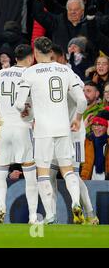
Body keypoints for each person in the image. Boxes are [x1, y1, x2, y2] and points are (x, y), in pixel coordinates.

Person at [15, 37, 87, 224]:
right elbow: (82, 101)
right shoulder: (65, 70)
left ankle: (50, 215)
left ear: (36, 53)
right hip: (63, 127)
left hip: (43, 129)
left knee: (44, 173)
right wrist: (77, 119)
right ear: (51, 52)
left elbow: (19, 104)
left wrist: (26, 111)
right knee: (68, 170)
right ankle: (75, 203)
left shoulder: (30, 72)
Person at [50, 50, 99, 225]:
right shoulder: (50, 75)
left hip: (73, 133)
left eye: (53, 59)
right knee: (51, 174)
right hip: (57, 133)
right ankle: (53, 215)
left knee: (73, 174)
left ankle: (89, 213)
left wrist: (77, 119)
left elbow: (82, 101)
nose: (51, 63)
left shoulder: (72, 77)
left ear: (62, 58)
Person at [0, 44, 38, 224]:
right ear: (30, 57)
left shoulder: (2, 73)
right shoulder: (31, 74)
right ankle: (33, 216)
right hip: (23, 126)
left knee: (0, 171)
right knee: (30, 172)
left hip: (4, 127)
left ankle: (1, 207)